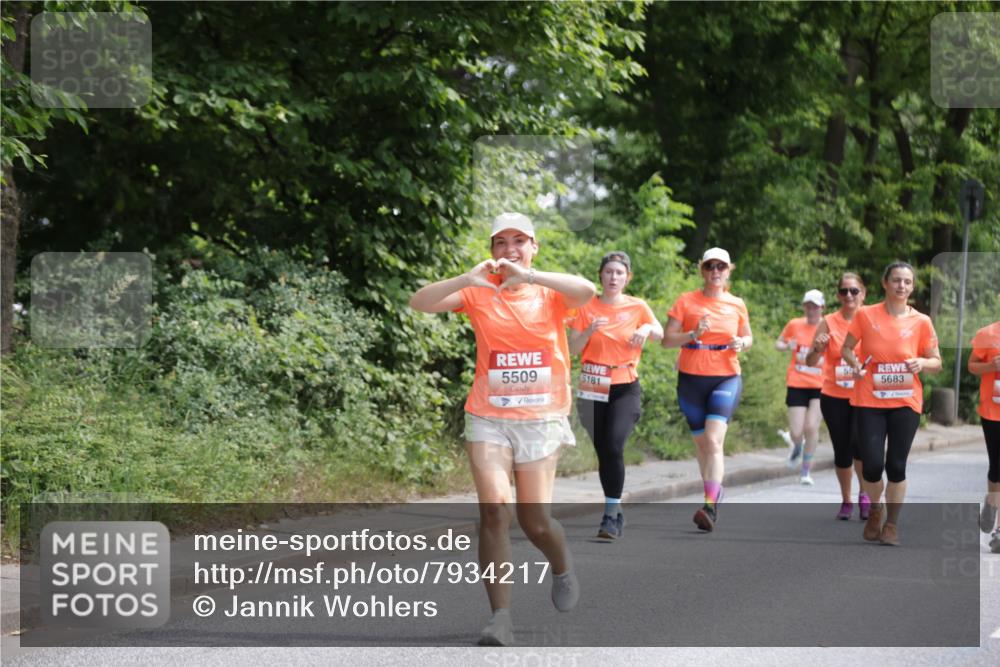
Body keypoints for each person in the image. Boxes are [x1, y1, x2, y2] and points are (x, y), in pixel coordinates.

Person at [409, 212, 595, 645]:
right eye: (500, 242)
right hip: (488, 416)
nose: (509, 250)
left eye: (519, 241)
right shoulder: (479, 293)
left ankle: (561, 563)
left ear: (533, 247)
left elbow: (585, 292)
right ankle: (501, 619)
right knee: (494, 510)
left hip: (541, 419)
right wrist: (465, 279)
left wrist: (530, 275)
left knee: (536, 522)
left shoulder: (550, 294)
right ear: (491, 250)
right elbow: (419, 302)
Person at [841, 261, 941, 546]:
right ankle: (875, 508)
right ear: (885, 283)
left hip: (906, 401)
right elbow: (846, 348)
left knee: (896, 465)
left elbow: (936, 362)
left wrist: (921, 362)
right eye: (896, 280)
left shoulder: (921, 321)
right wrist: (856, 365)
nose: (901, 286)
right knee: (872, 466)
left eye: (907, 282)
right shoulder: (864, 315)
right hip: (870, 399)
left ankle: (892, 525)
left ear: (912, 287)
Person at [568, 251, 663, 540]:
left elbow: (659, 332)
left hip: (624, 383)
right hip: (593, 383)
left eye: (619, 273)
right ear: (601, 275)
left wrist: (646, 327)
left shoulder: (637, 306)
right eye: (608, 272)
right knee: (604, 451)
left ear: (627, 277)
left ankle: (610, 516)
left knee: (613, 444)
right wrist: (587, 330)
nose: (613, 277)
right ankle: (615, 508)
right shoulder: (586, 306)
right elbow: (572, 348)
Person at [662, 247, 752, 532]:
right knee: (702, 445)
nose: (716, 272)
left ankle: (710, 506)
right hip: (691, 379)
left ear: (729, 271)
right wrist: (693, 334)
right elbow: (666, 340)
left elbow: (748, 336)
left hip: (725, 377)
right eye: (710, 266)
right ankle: (712, 491)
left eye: (721, 267)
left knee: (713, 441)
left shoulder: (736, 303)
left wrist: (742, 343)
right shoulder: (686, 301)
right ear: (702, 270)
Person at [805, 274, 871, 520]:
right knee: (842, 450)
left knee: (861, 447)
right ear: (838, 296)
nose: (849, 296)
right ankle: (846, 500)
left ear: (863, 293)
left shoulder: (872, 319)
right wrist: (817, 349)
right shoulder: (828, 322)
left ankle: (865, 495)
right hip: (834, 395)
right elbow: (810, 361)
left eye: (854, 291)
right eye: (844, 292)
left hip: (865, 395)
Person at [776, 289, 826, 485]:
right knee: (797, 432)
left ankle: (805, 470)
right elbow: (778, 343)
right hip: (797, 382)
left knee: (811, 426)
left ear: (822, 308)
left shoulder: (828, 327)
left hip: (821, 384)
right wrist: (787, 346)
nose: (811, 310)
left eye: (815, 306)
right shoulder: (794, 324)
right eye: (808, 305)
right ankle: (797, 445)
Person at [969, 319, 1000, 553]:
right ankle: (993, 501)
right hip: (993, 411)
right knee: (997, 467)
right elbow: (972, 366)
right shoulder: (987, 333)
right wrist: (991, 366)